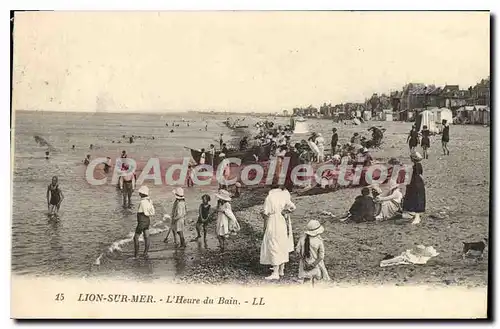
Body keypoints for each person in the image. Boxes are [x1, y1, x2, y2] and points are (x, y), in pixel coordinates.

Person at [260, 184, 296, 280]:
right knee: (281, 243)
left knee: (273, 243)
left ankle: (275, 273)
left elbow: (265, 213)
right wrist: (285, 211)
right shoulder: (283, 195)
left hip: (273, 221)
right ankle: (281, 270)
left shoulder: (269, 197)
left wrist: (263, 217)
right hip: (281, 220)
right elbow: (293, 207)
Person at [402, 152, 426, 225]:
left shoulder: (416, 166)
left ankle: (417, 216)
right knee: (415, 198)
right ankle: (416, 215)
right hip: (416, 183)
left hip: (415, 183)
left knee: (416, 198)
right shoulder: (417, 165)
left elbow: (416, 174)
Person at [134, 185, 155, 258]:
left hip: (142, 221)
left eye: (140, 192)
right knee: (147, 236)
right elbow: (152, 212)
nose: (139, 193)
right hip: (147, 220)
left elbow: (144, 212)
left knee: (136, 237)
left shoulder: (142, 202)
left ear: (142, 194)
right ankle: (145, 252)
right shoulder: (149, 200)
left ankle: (136, 255)